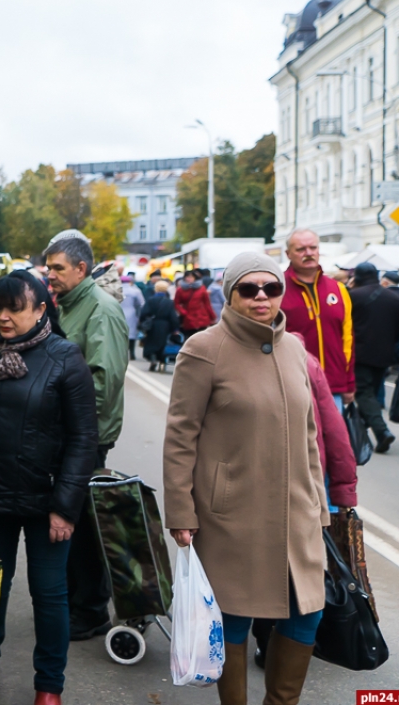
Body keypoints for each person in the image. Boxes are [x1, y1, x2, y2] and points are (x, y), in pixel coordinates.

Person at [163, 252, 329, 705]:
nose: (261, 297)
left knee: (304, 616)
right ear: (230, 293)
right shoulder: (204, 349)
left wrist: (319, 505)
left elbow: (310, 433)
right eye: (249, 288)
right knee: (231, 621)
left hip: (297, 515)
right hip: (231, 518)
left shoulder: (294, 347)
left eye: (271, 288)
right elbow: (181, 436)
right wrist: (181, 510)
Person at [0, 270, 98, 705]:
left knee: (49, 594)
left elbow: (83, 439)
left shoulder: (66, 358)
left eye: (14, 308)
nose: (3, 317)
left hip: (47, 503)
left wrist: (66, 504)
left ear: (42, 309)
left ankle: (49, 685)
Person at [41, 232, 128, 640]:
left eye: (58, 268)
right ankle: (79, 601)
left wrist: (56, 414)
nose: (50, 275)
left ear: (81, 268)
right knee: (72, 522)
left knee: (83, 526)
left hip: (85, 437)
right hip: (69, 434)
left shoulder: (101, 310)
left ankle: (91, 610)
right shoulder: (71, 305)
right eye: (49, 268)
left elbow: (101, 382)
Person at [253, 340, 359, 668]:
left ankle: (275, 640)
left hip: (301, 483)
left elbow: (332, 427)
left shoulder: (302, 360)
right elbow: (335, 428)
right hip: (291, 486)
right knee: (295, 565)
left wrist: (343, 489)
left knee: (277, 565)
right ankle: (279, 640)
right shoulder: (306, 360)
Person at [281, 228, 355, 410]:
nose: (308, 253)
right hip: (292, 387)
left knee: (334, 438)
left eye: (312, 248)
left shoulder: (338, 289)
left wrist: (348, 383)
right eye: (300, 249)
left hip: (333, 387)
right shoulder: (277, 290)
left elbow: (348, 340)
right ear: (288, 254)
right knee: (296, 438)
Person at [349, 261, 399, 453]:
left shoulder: (353, 296)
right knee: (370, 393)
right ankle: (359, 432)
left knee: (364, 393)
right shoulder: (394, 298)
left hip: (360, 353)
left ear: (357, 276)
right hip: (385, 356)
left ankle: (382, 432)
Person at [140, 280, 180, 372]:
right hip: (165, 326)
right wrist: (175, 328)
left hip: (152, 325)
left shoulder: (150, 300)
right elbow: (173, 316)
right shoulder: (169, 302)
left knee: (151, 343)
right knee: (163, 344)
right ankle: (162, 362)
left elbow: (144, 313)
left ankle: (152, 358)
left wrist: (143, 323)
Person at [174, 270, 216, 340]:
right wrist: (183, 312)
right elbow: (176, 303)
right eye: (187, 277)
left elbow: (207, 303)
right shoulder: (180, 290)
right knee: (190, 338)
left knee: (202, 338)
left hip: (202, 316)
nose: (189, 279)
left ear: (195, 278)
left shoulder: (202, 288)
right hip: (188, 317)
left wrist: (212, 316)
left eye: (191, 277)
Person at [119, 274, 144, 360]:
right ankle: (132, 353)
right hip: (132, 313)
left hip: (119, 312)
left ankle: (121, 353)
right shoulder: (135, 291)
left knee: (119, 333)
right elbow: (141, 303)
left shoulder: (117, 290)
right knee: (132, 334)